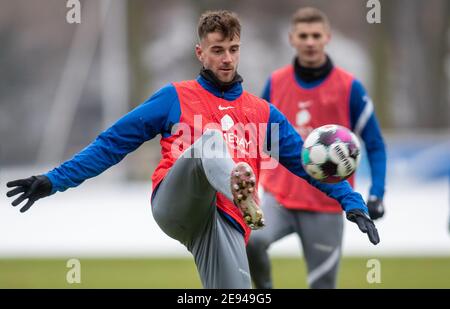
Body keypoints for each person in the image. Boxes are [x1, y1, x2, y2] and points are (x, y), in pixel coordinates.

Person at [6, 10, 379, 289]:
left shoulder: (262, 112)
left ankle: (238, 190)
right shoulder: (173, 98)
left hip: (226, 221)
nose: (227, 58)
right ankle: (238, 183)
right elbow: (111, 144)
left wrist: (352, 201)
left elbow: (304, 163)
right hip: (178, 201)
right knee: (210, 141)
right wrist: (53, 181)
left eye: (233, 49)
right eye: (217, 50)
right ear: (200, 52)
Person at [246, 7, 387, 289]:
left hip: (326, 205)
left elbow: (374, 143)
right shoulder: (275, 83)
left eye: (315, 35)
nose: (310, 41)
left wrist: (376, 193)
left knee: (322, 285)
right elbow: (257, 136)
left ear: (327, 38)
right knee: (252, 240)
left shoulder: (350, 88)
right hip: (279, 198)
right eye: (303, 35)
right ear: (292, 39)